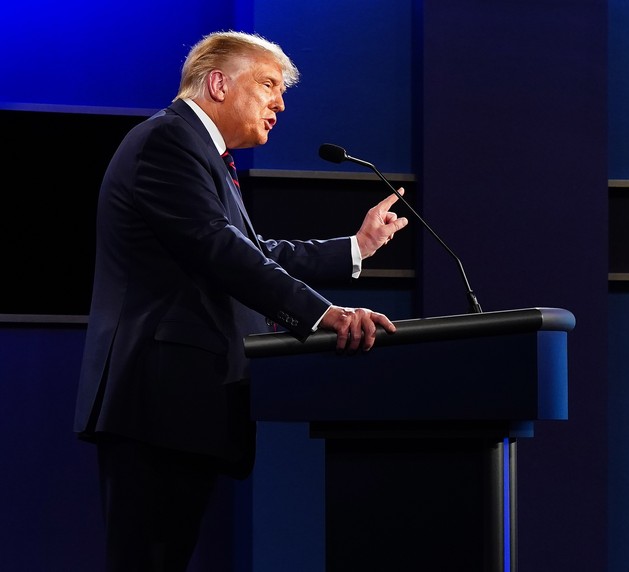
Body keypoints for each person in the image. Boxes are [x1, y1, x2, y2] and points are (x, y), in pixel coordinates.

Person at [73, 30, 409, 571]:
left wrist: (356, 247)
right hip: (156, 397)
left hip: (178, 401)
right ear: (218, 84)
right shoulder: (168, 141)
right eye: (270, 85)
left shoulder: (200, 151)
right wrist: (325, 314)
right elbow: (219, 249)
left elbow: (250, 252)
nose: (280, 103)